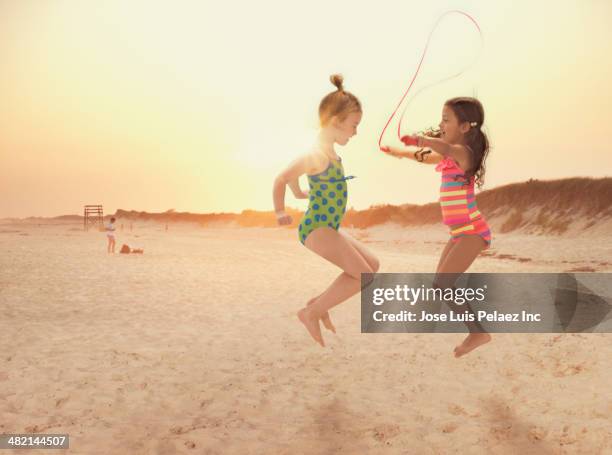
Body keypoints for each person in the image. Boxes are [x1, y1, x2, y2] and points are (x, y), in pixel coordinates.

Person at [273, 74, 380, 347]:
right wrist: (280, 211)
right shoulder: (317, 154)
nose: (356, 132)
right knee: (364, 277)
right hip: (316, 228)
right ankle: (311, 312)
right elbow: (281, 177)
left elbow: (293, 178)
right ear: (336, 122)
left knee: (373, 267)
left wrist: (298, 191)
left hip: (328, 227)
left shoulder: (329, 153)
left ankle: (317, 305)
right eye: (354, 125)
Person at [381, 97, 492, 357]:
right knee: (440, 285)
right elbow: (427, 156)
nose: (441, 123)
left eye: (446, 119)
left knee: (443, 283)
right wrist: (399, 153)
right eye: (441, 118)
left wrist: (421, 139)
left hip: (473, 231)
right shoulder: (446, 157)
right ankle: (477, 331)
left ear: (465, 127)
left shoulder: (465, 154)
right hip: (458, 234)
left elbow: (442, 148)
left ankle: (478, 333)